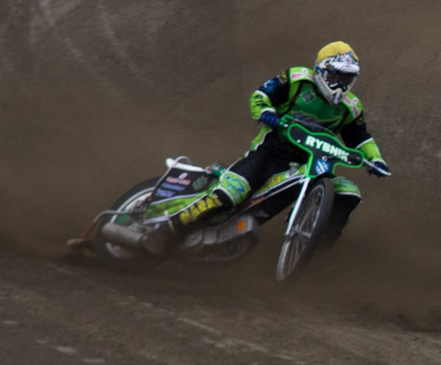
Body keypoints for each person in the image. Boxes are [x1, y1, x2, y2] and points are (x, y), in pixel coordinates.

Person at [162, 41, 390, 245]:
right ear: (320, 70)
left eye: (346, 79)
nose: (340, 85)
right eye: (335, 77)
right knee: (231, 193)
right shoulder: (297, 79)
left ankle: (318, 246)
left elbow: (360, 137)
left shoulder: (351, 107)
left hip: (311, 163)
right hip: (271, 151)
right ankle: (168, 228)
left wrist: (375, 159)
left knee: (349, 192)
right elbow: (261, 95)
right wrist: (267, 113)